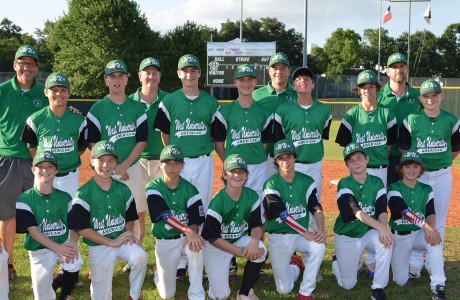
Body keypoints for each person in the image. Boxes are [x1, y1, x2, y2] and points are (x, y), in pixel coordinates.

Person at [154, 54, 219, 280]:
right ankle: (181, 263)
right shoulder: (169, 101)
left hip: (203, 160)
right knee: (177, 206)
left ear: (200, 73)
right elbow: (164, 133)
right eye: (185, 71)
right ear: (179, 74)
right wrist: (172, 157)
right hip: (178, 162)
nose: (190, 74)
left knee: (199, 208)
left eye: (194, 70)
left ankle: (195, 258)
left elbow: (218, 135)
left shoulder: (211, 102)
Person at [69, 141, 147, 300]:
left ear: (116, 162)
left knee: (140, 257)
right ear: (91, 161)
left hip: (121, 241)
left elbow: (130, 217)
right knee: (101, 296)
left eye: (110, 160)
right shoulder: (83, 193)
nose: (105, 165)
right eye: (100, 160)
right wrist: (110, 242)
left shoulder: (123, 189)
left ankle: (134, 296)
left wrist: (129, 233)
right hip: (99, 245)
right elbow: (80, 228)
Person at [398, 79, 460, 278]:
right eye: (427, 96)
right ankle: (415, 261)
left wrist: (439, 162)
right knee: (417, 216)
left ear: (442, 96)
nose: (431, 99)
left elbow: (456, 148)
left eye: (435, 95)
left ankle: (435, 260)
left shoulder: (451, 120)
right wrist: (418, 168)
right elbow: (404, 148)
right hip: (419, 177)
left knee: (438, 220)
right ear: (421, 99)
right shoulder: (412, 119)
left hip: (442, 175)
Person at [0, 45, 48, 282]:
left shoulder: (45, 92)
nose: (26, 67)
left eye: (31, 63)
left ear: (37, 68)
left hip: (37, 160)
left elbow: (58, 109)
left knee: (39, 214)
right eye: (22, 62)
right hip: (6, 159)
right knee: (6, 216)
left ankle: (42, 263)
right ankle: (8, 265)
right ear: (14, 65)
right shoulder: (2, 91)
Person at [86, 60, 148, 243]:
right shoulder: (97, 110)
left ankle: (132, 251)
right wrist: (112, 167)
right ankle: (103, 249)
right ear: (106, 80)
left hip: (133, 168)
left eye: (121, 76)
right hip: (106, 170)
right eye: (112, 76)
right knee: (104, 210)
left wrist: (124, 166)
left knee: (133, 212)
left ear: (127, 79)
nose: (117, 80)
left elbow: (142, 141)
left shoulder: (138, 108)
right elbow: (92, 143)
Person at [263, 140, 326, 300]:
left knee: (319, 246)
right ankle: (296, 266)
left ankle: (305, 291)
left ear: (295, 158)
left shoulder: (306, 181)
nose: (286, 162)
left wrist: (321, 230)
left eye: (289, 157)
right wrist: (306, 233)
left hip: (299, 236)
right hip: (279, 237)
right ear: (276, 161)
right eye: (281, 158)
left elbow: (316, 207)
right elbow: (282, 215)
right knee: (284, 289)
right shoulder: (271, 184)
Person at [16, 151, 82, 300]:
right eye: (41, 167)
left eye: (50, 166)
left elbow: (74, 225)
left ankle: (65, 295)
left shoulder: (65, 197)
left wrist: (72, 242)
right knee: (42, 297)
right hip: (39, 250)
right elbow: (34, 232)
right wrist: (59, 249)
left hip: (61, 242)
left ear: (56, 171)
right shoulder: (24, 199)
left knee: (75, 259)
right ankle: (57, 281)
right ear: (33, 170)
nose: (45, 170)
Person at [331, 143, 393, 300]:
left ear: (367, 159)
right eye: (351, 161)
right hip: (348, 235)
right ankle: (336, 263)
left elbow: (381, 210)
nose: (356, 163)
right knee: (348, 284)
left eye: (359, 158)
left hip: (367, 233)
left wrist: (383, 230)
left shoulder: (377, 182)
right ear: (347, 165)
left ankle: (378, 287)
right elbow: (356, 212)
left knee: (386, 242)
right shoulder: (344, 183)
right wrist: (381, 228)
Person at [202, 154, 267, 300]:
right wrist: (241, 251)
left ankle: (244, 293)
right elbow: (212, 237)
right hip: (216, 247)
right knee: (221, 295)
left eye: (241, 172)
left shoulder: (252, 196)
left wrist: (255, 242)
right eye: (233, 172)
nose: (237, 175)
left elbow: (256, 225)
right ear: (225, 175)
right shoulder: (218, 201)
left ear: (246, 176)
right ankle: (214, 281)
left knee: (261, 250)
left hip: (238, 239)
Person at [146, 144, 205, 300]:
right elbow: (165, 216)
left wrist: (191, 234)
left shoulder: (191, 189)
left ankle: (196, 295)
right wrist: (188, 231)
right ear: (160, 164)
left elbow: (195, 220)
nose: (172, 167)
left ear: (182, 165)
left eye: (176, 163)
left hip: (184, 239)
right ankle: (158, 272)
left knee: (196, 248)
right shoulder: (153, 187)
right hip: (165, 240)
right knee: (167, 295)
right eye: (167, 163)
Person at [387, 151, 446, 300]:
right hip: (400, 236)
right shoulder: (394, 188)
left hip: (418, 234)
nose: (411, 170)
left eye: (415, 166)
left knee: (436, 241)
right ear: (401, 169)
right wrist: (426, 227)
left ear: (421, 169)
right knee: (399, 281)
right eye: (407, 166)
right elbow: (404, 212)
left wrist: (431, 230)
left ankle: (438, 286)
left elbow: (431, 213)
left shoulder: (426, 189)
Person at [22, 72, 88, 198]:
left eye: (63, 90)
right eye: (54, 90)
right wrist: (45, 164)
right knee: (42, 214)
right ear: (46, 92)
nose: (59, 94)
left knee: (69, 214)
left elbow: (81, 148)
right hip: (43, 175)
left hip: (70, 178)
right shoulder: (35, 119)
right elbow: (32, 148)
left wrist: (66, 159)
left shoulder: (79, 120)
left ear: (69, 93)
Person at [274, 66, 331, 205]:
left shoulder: (325, 110)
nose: (302, 81)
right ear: (293, 86)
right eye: (298, 79)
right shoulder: (282, 110)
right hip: (292, 165)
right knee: (291, 203)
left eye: (307, 79)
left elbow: (322, 134)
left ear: (313, 85)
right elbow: (280, 141)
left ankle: (314, 228)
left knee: (314, 204)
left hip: (315, 165)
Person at [213, 64, 274, 195]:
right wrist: (231, 164)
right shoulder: (224, 113)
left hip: (258, 167)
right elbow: (218, 146)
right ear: (235, 82)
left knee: (258, 206)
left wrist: (254, 158)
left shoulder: (266, 113)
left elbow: (264, 144)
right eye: (242, 79)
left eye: (250, 79)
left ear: (255, 82)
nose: (246, 83)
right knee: (234, 206)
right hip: (234, 169)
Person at [127, 57, 168, 248]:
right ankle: (136, 253)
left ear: (160, 75)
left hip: (164, 162)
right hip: (138, 162)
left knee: (166, 210)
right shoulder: (129, 102)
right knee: (138, 211)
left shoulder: (169, 100)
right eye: (147, 72)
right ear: (139, 76)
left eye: (155, 72)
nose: (151, 76)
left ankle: (168, 253)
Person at [336, 70, 397, 188]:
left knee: (378, 204)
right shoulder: (351, 115)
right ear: (358, 90)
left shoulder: (387, 114)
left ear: (377, 89)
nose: (367, 91)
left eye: (371, 87)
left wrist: (380, 161)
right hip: (358, 170)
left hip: (380, 169)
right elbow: (347, 147)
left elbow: (390, 145)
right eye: (363, 87)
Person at [377, 53, 422, 186]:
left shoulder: (418, 96)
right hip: (384, 157)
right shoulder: (378, 97)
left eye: (402, 66)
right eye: (394, 67)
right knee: (381, 200)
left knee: (409, 201)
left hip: (410, 157)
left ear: (407, 69)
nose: (399, 70)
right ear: (387, 70)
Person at [253, 52, 297, 177]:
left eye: (283, 68)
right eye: (275, 68)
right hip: (264, 156)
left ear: (289, 71)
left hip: (290, 156)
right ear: (269, 71)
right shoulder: (256, 95)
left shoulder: (297, 95)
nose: (279, 71)